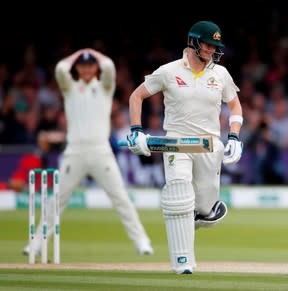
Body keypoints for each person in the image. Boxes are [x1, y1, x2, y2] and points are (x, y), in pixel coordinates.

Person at [125, 20, 243, 274]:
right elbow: (137, 96)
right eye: (208, 45)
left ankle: (196, 217)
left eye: (215, 46)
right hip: (175, 143)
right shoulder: (168, 71)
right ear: (193, 41)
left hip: (209, 145)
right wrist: (136, 130)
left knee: (206, 211)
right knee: (179, 195)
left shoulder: (220, 74)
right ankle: (182, 262)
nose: (212, 50)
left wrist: (234, 136)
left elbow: (234, 106)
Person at [23, 48, 154, 257]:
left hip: (101, 151)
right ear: (78, 67)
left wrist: (92, 52)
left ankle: (142, 241)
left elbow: (109, 66)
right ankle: (36, 243)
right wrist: (79, 55)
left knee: (121, 198)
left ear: (95, 68)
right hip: (74, 152)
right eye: (82, 66)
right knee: (56, 200)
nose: (86, 69)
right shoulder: (70, 88)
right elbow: (60, 69)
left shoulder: (104, 87)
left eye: (90, 65)